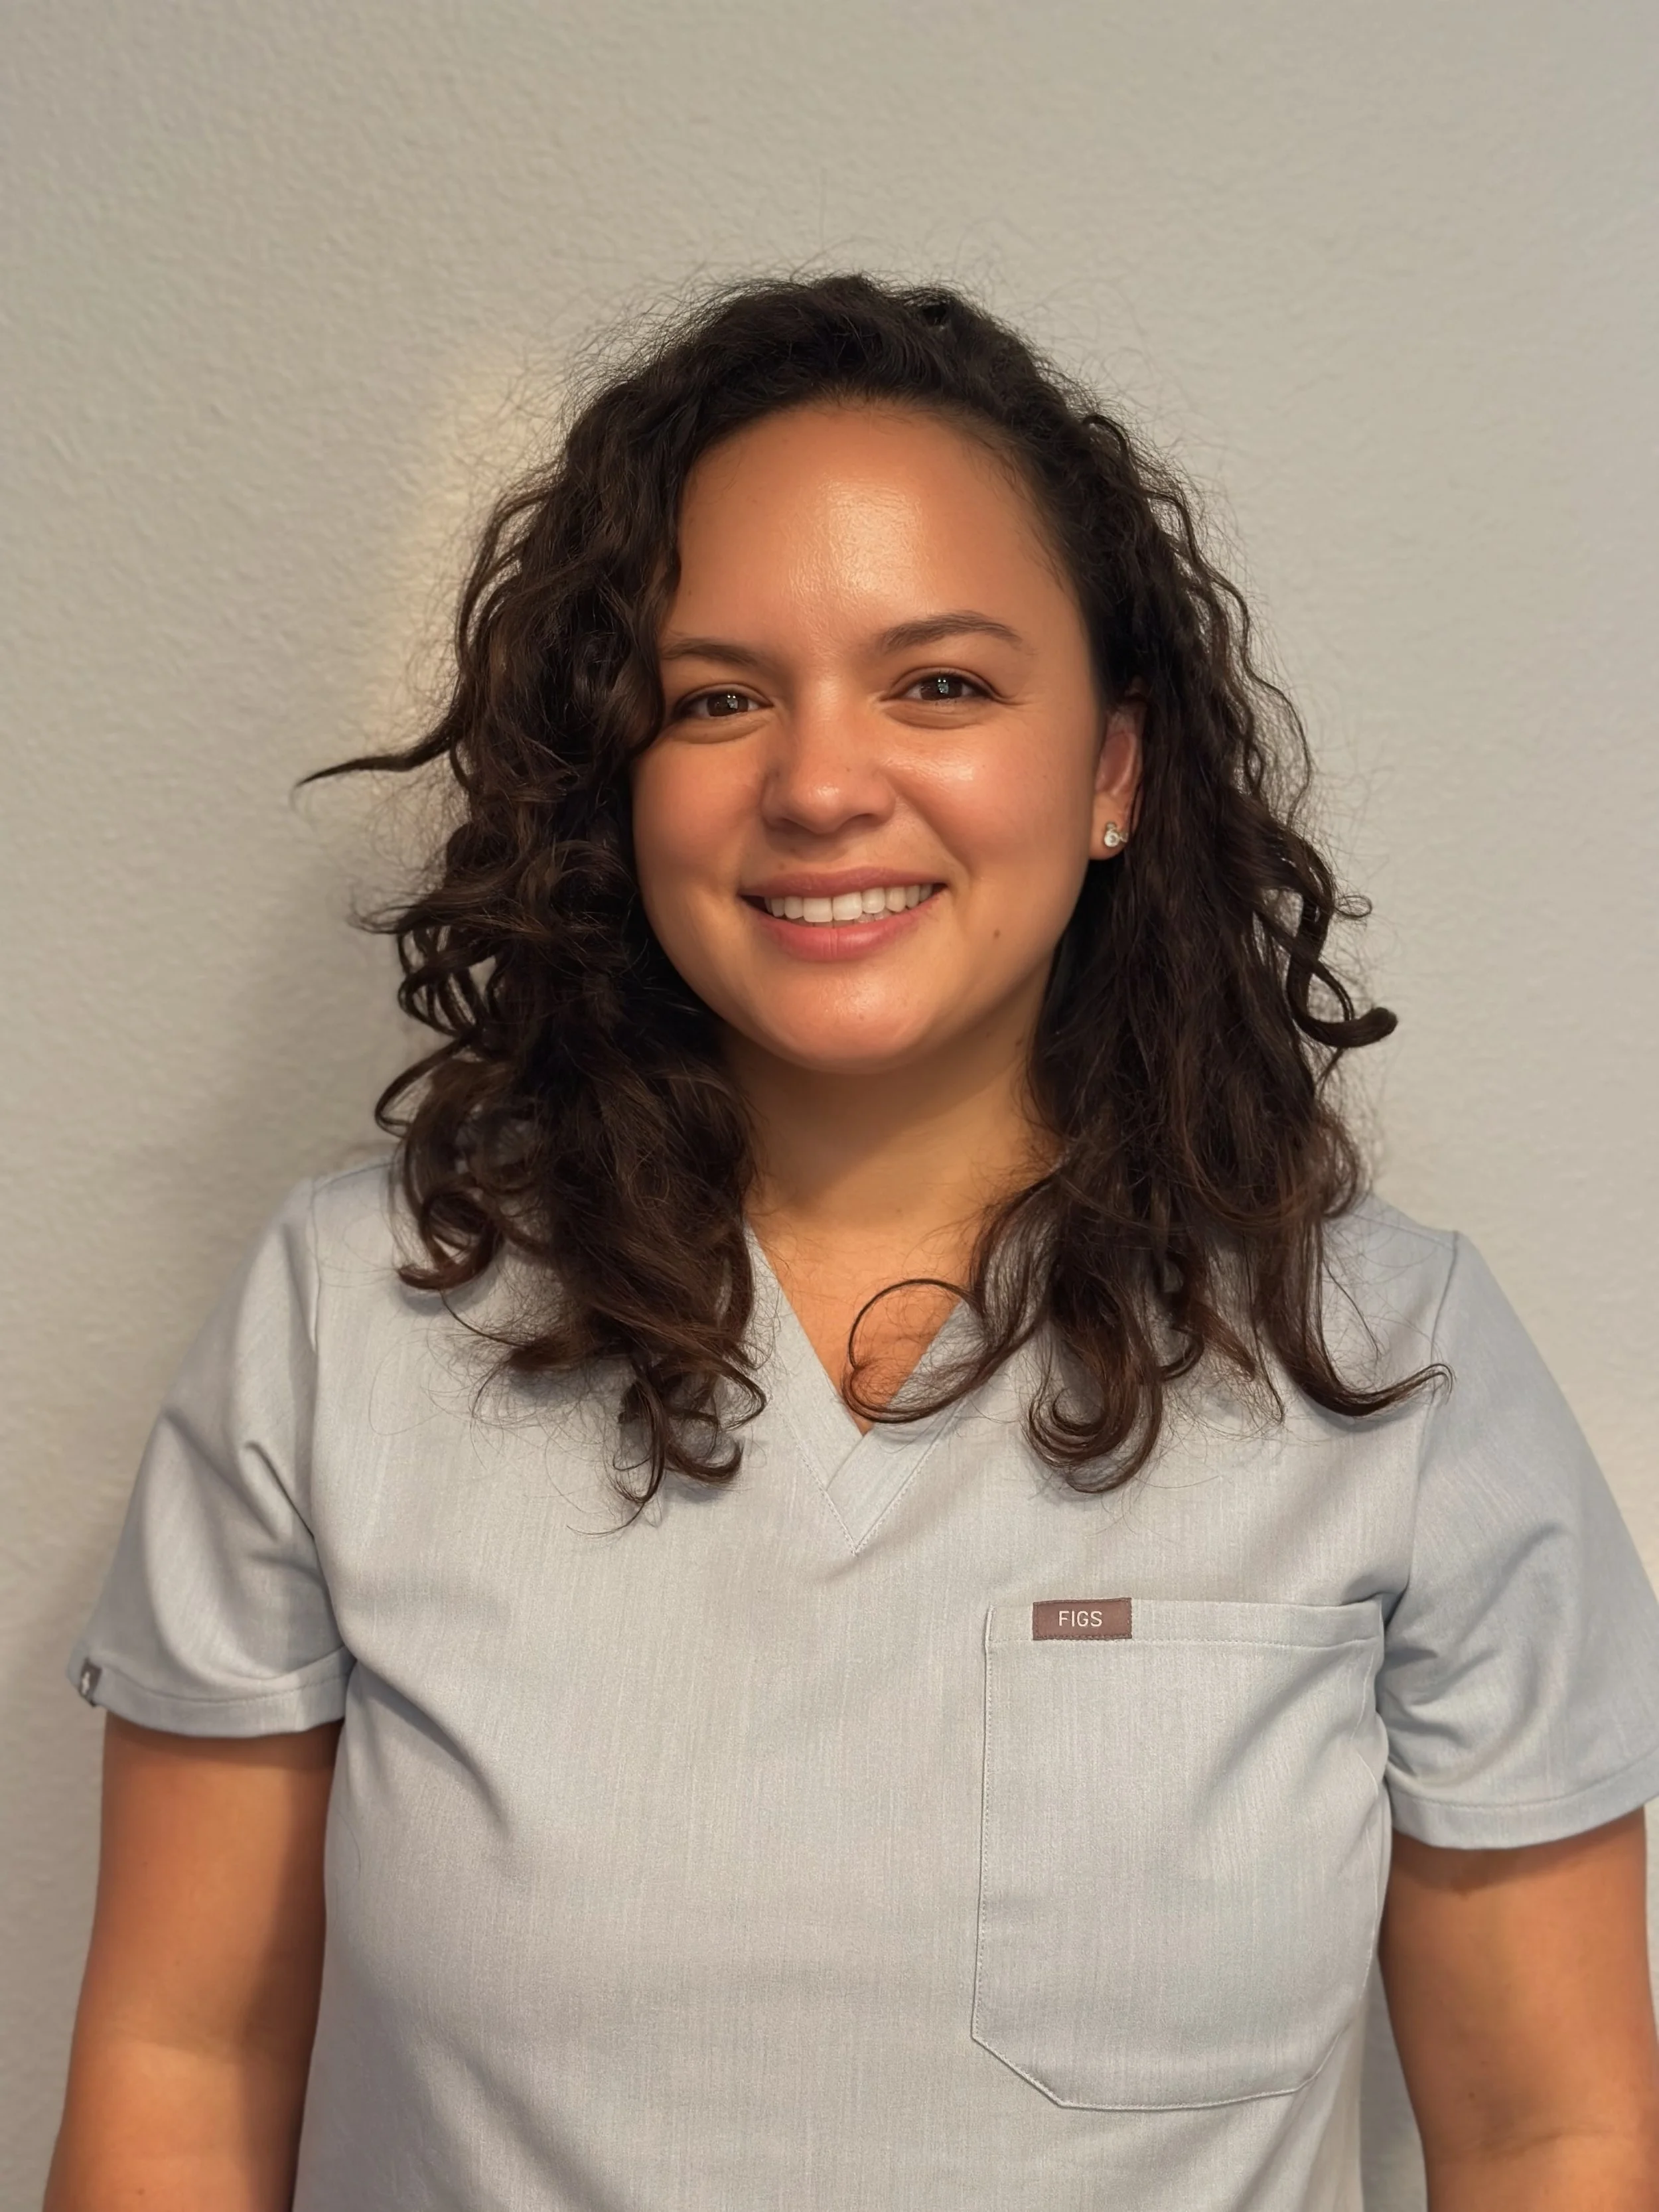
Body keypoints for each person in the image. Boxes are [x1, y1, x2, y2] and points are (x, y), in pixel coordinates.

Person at [45, 273, 1659, 2212]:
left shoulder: (1395, 1367)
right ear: (620, 778)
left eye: (940, 685)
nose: (818, 785)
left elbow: (1550, 2137)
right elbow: (184, 2072)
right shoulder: (349, 1325)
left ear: (1115, 768)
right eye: (716, 698)